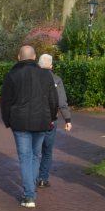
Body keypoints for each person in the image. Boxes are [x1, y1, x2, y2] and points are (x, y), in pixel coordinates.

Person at [0, 45, 59, 208]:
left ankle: (29, 195)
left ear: (19, 57)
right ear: (34, 57)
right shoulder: (46, 75)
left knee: (25, 157)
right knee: (34, 155)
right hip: (41, 121)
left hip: (20, 122)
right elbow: (54, 99)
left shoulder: (11, 75)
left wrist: (7, 121)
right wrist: (51, 117)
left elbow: (5, 101)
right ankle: (31, 187)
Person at [36, 54, 72, 189]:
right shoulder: (56, 79)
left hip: (35, 119)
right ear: (51, 66)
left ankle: (33, 178)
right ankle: (43, 179)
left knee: (34, 151)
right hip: (51, 119)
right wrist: (67, 119)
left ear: (39, 65)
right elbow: (62, 101)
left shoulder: (33, 79)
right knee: (47, 150)